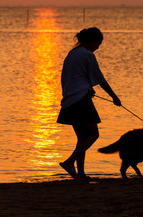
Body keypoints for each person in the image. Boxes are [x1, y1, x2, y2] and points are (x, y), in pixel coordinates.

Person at [57, 27, 121, 179]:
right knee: (93, 134)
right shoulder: (88, 55)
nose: (98, 46)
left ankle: (81, 173)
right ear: (92, 41)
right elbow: (100, 79)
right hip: (80, 100)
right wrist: (114, 97)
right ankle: (69, 162)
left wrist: (87, 88)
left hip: (69, 100)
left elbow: (72, 78)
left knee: (82, 138)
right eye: (98, 43)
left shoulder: (72, 53)